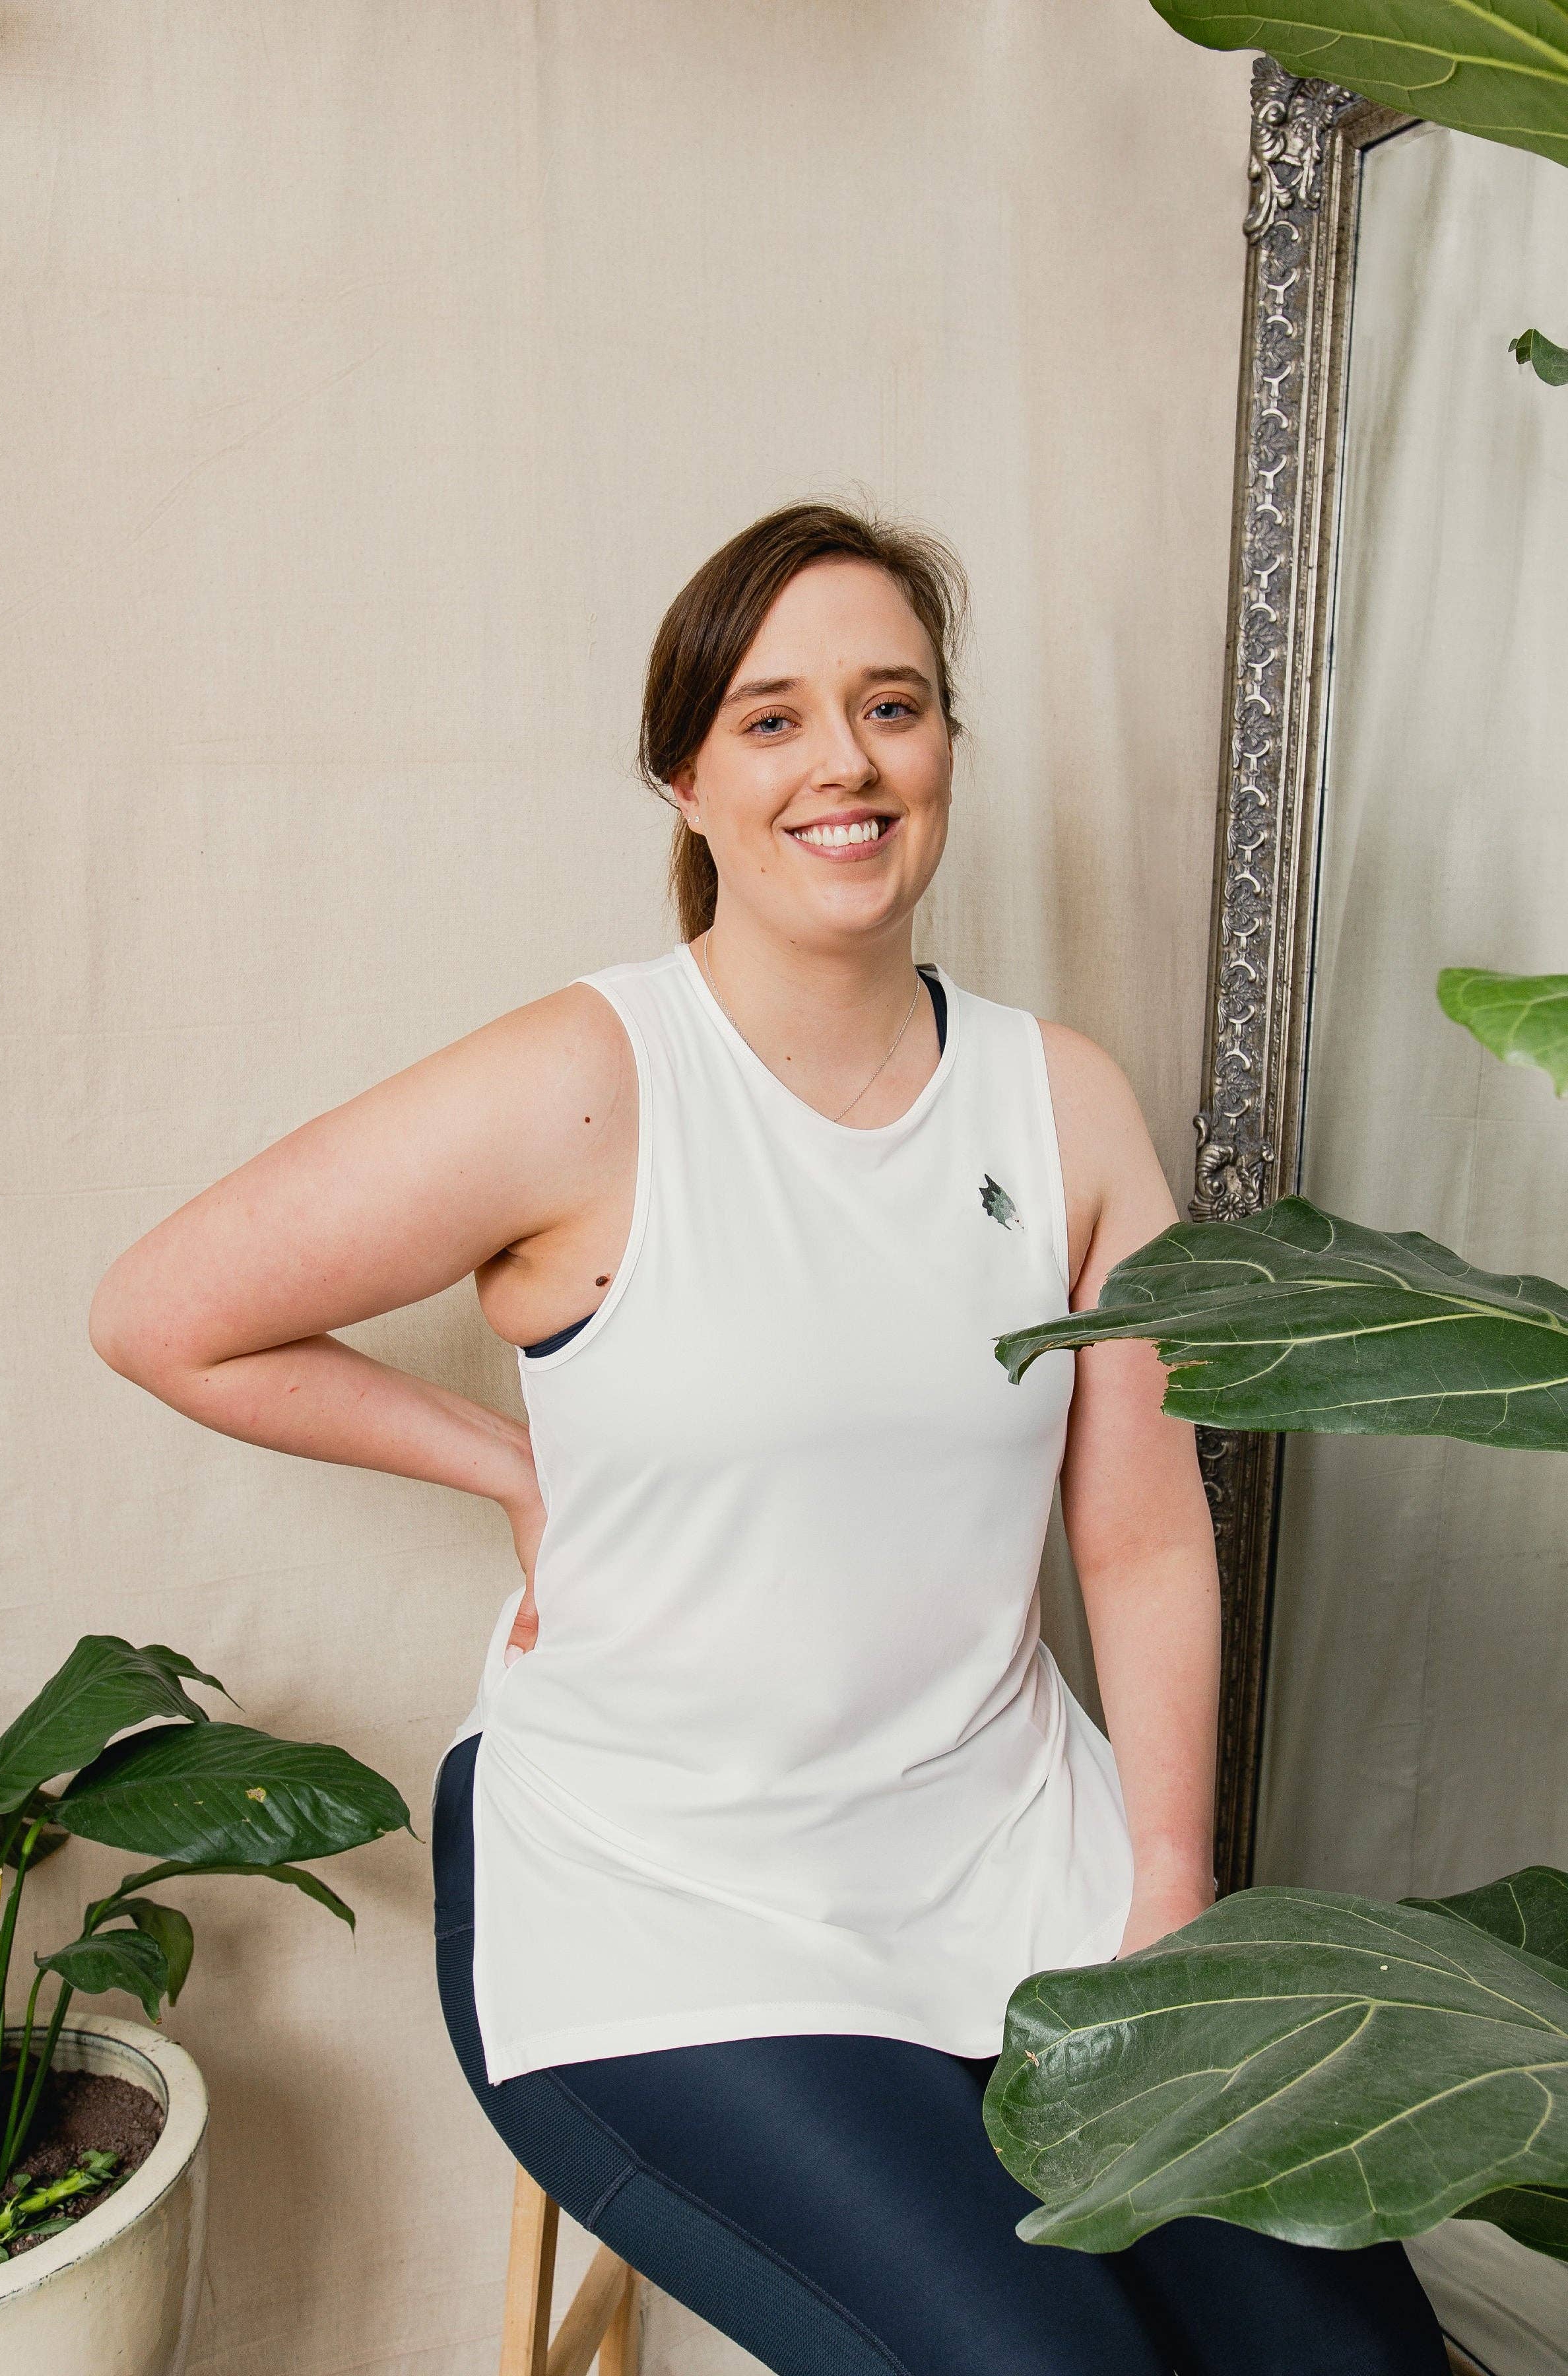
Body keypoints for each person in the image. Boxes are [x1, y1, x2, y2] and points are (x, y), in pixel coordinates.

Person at [90, 504, 1447, 2374]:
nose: (847, 764)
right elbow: (164, 1311)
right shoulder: (588, 1082)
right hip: (667, 1902)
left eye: (892, 706)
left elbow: (1139, 1533)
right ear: (687, 777)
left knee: (1353, 2360)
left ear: (946, 744)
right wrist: (509, 1465)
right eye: (774, 719)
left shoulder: (1061, 1102)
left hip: (1012, 1849)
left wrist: (1167, 1891)